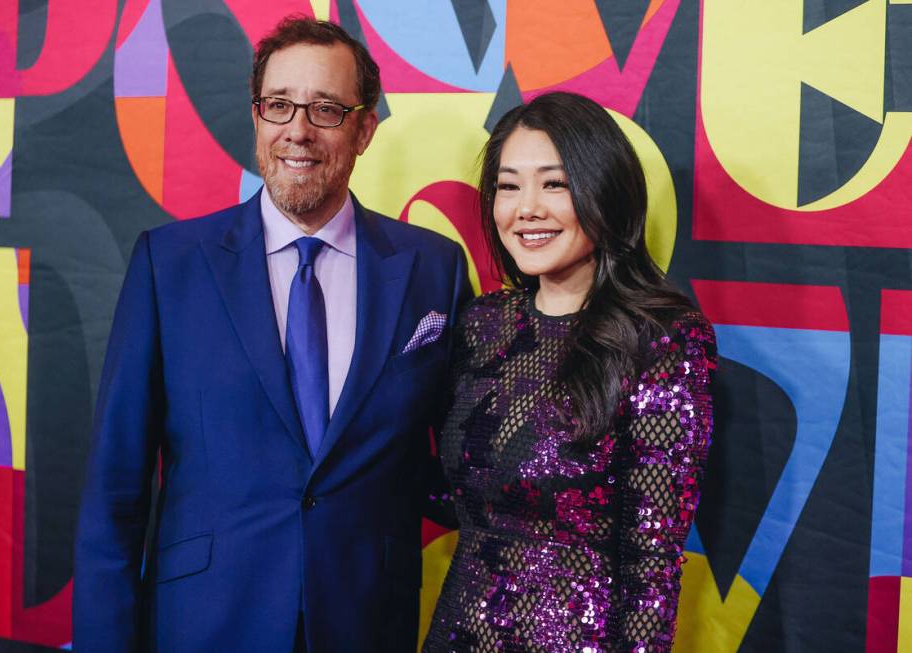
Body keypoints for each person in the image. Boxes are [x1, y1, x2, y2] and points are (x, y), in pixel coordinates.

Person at [73, 17, 471, 653]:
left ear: (365, 129)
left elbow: (466, 463)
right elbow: (114, 495)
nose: (298, 130)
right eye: (279, 105)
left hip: (368, 622)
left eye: (326, 109)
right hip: (206, 624)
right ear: (257, 117)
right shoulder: (169, 264)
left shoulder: (433, 270)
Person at [423, 92, 716, 652]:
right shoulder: (485, 323)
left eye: (554, 184)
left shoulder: (662, 339)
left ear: (604, 190)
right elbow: (456, 494)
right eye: (509, 186)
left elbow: (651, 564)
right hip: (455, 634)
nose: (526, 208)